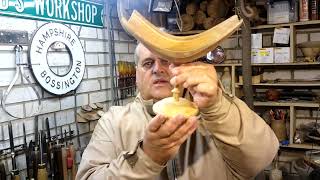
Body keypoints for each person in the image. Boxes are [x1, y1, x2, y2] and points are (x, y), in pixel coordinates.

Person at [76, 43, 279, 180]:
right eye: (148, 63)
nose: (157, 69)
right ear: (137, 75)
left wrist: (217, 106)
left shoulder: (214, 114)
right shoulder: (113, 122)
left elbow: (260, 159)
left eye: (166, 61)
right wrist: (146, 157)